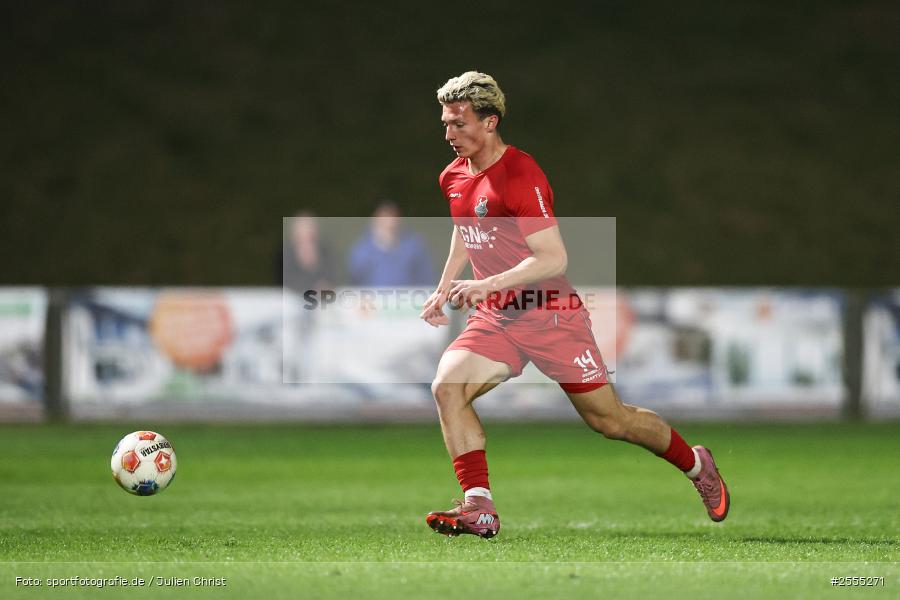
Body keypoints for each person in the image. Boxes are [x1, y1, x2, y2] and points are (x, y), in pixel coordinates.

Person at [419, 71, 730, 539]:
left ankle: (696, 464)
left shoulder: (521, 174)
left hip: (550, 314)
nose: (449, 134)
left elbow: (553, 258)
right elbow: (466, 231)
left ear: (490, 122)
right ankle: (478, 506)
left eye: (459, 123)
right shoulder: (453, 176)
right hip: (497, 318)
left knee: (610, 420)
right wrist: (444, 288)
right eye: (445, 123)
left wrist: (489, 283)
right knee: (447, 387)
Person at [348, 201, 434, 287]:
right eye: (384, 218)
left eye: (393, 218)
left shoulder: (414, 248)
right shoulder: (361, 251)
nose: (390, 223)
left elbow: (426, 279)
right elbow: (354, 281)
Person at [279, 211, 337, 294]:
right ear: (294, 237)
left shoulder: (326, 252)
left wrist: (314, 265)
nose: (307, 243)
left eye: (310, 237)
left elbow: (333, 277)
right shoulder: (285, 256)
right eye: (302, 237)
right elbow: (287, 282)